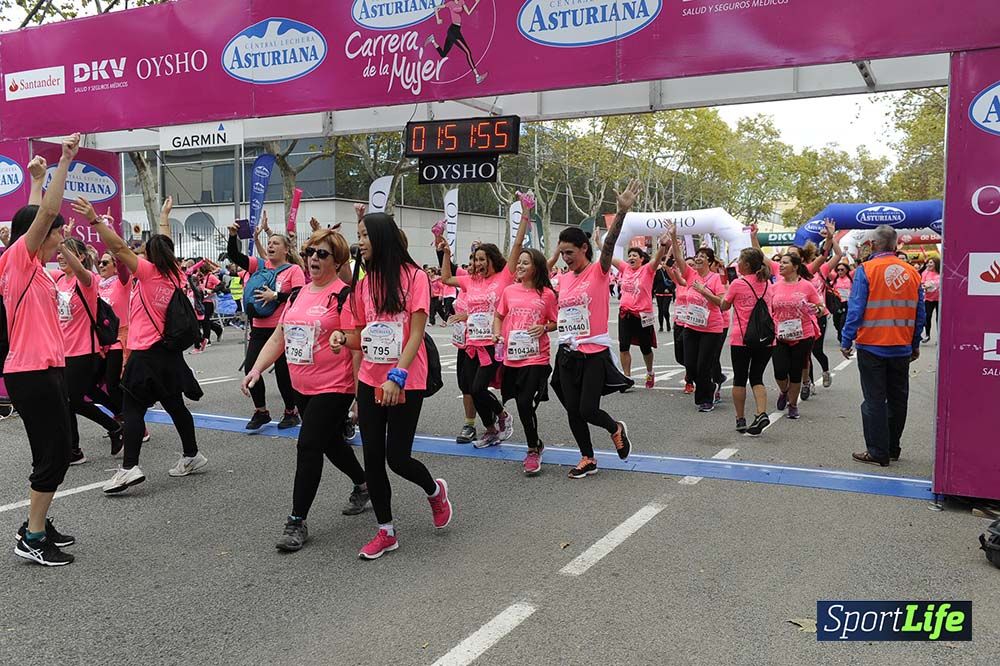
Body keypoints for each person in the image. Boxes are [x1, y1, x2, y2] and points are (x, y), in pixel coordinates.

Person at [242, 228, 369, 552]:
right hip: (302, 386)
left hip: (335, 386)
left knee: (309, 445)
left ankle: (297, 521)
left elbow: (356, 344)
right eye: (310, 252)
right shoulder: (297, 295)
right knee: (331, 444)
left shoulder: (343, 296)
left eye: (321, 253)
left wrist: (358, 395)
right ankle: (363, 483)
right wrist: (256, 369)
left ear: (337, 261)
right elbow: (279, 337)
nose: (313, 258)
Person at [334, 213, 451, 560]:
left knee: (397, 459)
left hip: (406, 379)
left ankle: (434, 491)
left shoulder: (415, 277)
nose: (360, 242)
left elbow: (416, 333)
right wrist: (343, 338)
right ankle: (386, 531)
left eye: (364, 235)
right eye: (358, 235)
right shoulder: (363, 284)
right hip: (371, 380)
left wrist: (397, 375)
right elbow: (362, 335)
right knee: (372, 459)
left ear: (382, 237)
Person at [80, 197, 207, 494]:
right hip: (168, 353)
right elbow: (163, 243)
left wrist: (95, 220)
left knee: (133, 409)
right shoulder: (175, 273)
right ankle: (192, 455)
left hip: (146, 353)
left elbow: (119, 248)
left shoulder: (148, 273)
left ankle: (129, 468)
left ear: (149, 256)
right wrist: (163, 216)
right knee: (175, 406)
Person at [3, 139, 80, 566]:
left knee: (50, 450)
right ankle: (32, 536)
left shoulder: (36, 268)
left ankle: (37, 523)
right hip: (31, 371)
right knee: (57, 452)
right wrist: (63, 162)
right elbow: (44, 214)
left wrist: (35, 180)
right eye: (58, 229)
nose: (62, 233)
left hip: (47, 369)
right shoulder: (16, 261)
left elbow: (37, 213)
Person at [551, 182, 638, 479]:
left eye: (570, 252)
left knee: (588, 409)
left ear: (584, 248)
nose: (565, 257)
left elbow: (610, 245)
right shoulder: (563, 279)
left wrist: (622, 212)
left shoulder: (598, 271)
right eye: (562, 252)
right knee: (572, 410)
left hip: (594, 353)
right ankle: (587, 458)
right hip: (567, 353)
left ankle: (615, 428)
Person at [438, 202, 530, 449]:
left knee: (479, 387)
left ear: (492, 259)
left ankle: (502, 415)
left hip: (492, 344)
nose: (477, 263)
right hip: (471, 344)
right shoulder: (471, 280)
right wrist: (446, 253)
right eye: (475, 259)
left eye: (482, 259)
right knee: (470, 387)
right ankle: (490, 429)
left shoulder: (504, 277)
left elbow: (517, 245)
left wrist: (525, 214)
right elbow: (445, 278)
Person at [841, 225, 925, 466]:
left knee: (874, 400)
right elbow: (919, 313)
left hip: (872, 346)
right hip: (901, 346)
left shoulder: (866, 270)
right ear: (896, 245)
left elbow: (856, 309)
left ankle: (878, 451)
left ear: (874, 245)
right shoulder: (912, 272)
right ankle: (892, 447)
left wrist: (846, 339)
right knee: (898, 399)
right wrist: (915, 343)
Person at [228, 213, 306, 431]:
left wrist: (276, 296)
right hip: (259, 329)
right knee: (251, 368)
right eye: (269, 243)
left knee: (283, 374)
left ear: (286, 250)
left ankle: (291, 412)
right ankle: (261, 411)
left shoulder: (294, 270)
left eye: (275, 243)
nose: (270, 246)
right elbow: (234, 256)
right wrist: (233, 236)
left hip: (281, 330)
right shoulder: (260, 265)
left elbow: (299, 296)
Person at [54, 236, 123, 464]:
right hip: (62, 351)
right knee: (66, 402)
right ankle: (73, 450)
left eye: (67, 252)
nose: (60, 256)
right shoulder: (59, 280)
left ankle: (114, 427)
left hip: (84, 350)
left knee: (73, 401)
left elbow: (82, 273)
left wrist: (61, 244)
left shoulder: (87, 280)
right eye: (59, 253)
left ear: (81, 256)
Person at [493, 238, 558, 474]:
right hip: (513, 356)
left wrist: (544, 327)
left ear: (536, 268)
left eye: (525, 263)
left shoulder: (547, 294)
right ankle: (536, 442)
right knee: (519, 402)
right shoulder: (509, 291)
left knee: (524, 402)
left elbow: (555, 322)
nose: (519, 266)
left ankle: (532, 449)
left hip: (536, 357)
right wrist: (497, 335)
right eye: (519, 262)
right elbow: (499, 316)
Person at [717, 248, 774, 436]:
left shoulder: (738, 283)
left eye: (740, 260)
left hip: (742, 339)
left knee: (740, 379)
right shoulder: (767, 283)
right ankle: (761, 413)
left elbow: (724, 306)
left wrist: (722, 289)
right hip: (766, 339)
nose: (737, 264)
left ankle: (740, 419)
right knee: (757, 377)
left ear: (747, 265)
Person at [672, 230, 727, 412]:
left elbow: (721, 303)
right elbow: (679, 258)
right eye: (697, 256)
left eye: (703, 256)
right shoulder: (690, 274)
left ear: (709, 262)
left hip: (711, 329)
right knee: (690, 365)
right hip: (691, 326)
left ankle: (706, 399)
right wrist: (673, 237)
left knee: (703, 366)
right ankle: (710, 386)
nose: (698, 258)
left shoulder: (716, 279)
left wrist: (704, 291)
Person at [770, 253, 826, 420]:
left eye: (785, 263)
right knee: (780, 371)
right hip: (779, 335)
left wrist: (816, 309)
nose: (780, 265)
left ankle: (793, 405)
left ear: (795, 267)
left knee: (796, 372)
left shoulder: (807, 286)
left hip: (803, 335)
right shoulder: (774, 287)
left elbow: (820, 307)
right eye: (780, 262)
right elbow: (769, 309)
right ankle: (784, 391)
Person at [614, 238, 668, 388]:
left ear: (641, 259)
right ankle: (627, 377)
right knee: (623, 346)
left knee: (645, 347)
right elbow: (609, 256)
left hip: (643, 315)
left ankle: (650, 372)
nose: (631, 257)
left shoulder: (647, 270)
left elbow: (657, 258)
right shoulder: (625, 268)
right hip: (625, 313)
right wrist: (600, 243)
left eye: (635, 255)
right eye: (629, 255)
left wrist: (663, 245)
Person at [426, 0, 488, 84]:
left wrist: (476, 3)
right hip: (453, 31)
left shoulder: (461, 2)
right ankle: (477, 76)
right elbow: (436, 8)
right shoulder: (450, 4)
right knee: (468, 52)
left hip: (456, 30)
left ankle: (432, 40)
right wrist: (438, 19)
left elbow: (468, 13)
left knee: (443, 54)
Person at [829, 262, 853, 343]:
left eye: (842, 270)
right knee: (836, 321)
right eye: (838, 270)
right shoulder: (834, 279)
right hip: (837, 304)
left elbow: (857, 269)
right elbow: (826, 271)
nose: (840, 272)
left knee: (843, 321)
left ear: (846, 270)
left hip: (847, 303)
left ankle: (842, 337)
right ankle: (839, 332)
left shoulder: (851, 278)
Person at [653, 254, 675, 333]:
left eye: (664, 261)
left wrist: (669, 289)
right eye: (662, 261)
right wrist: (653, 291)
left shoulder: (671, 271)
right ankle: (661, 326)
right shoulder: (658, 271)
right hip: (659, 292)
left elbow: (674, 282)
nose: (663, 263)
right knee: (660, 310)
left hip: (668, 293)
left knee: (665, 309)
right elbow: (654, 282)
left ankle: (668, 323)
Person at [921, 257, 940, 342]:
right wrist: (925, 286)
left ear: (936, 263)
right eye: (928, 262)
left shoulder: (941, 273)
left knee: (939, 318)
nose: (929, 264)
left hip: (939, 299)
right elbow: (922, 283)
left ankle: (939, 337)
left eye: (931, 262)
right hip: (928, 298)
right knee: (927, 316)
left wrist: (933, 284)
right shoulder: (925, 273)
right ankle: (927, 334)